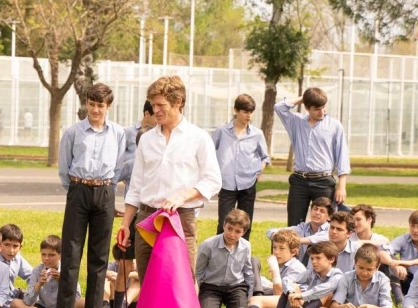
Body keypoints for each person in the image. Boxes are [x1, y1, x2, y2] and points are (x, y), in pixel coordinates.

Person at [118, 75, 221, 285]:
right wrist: (125, 224)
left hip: (180, 219)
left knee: (179, 286)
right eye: (153, 105)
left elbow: (213, 180)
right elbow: (136, 187)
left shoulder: (199, 138)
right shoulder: (146, 140)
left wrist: (183, 195)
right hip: (146, 219)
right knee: (148, 286)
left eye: (161, 105)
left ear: (178, 102)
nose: (155, 110)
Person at [56, 83, 126, 308]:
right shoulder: (74, 132)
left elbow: (118, 166)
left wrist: (108, 189)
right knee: (72, 251)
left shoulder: (117, 133)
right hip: (78, 189)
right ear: (87, 103)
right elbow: (64, 167)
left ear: (108, 107)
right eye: (92, 104)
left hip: (104, 191)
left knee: (99, 254)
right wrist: (76, 189)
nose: (96, 110)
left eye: (101, 105)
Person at [274, 87, 350, 226]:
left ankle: (319, 249)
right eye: (317, 109)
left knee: (324, 225)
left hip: (323, 182)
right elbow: (279, 107)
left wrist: (341, 186)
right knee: (294, 224)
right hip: (299, 182)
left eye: (323, 107)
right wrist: (305, 97)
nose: (322, 112)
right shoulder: (296, 122)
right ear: (307, 108)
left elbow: (342, 156)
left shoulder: (334, 126)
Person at [213, 94, 270, 239]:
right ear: (236, 111)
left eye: (251, 112)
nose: (248, 116)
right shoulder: (222, 131)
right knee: (224, 223)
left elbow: (265, 157)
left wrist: (259, 172)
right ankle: (220, 257)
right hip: (226, 184)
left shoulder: (257, 134)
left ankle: (242, 257)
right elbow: (209, 152)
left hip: (248, 184)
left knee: (245, 224)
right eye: (245, 112)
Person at [229, 230, 306, 308]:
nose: (276, 252)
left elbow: (280, 295)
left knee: (256, 300)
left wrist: (275, 272)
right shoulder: (283, 264)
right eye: (274, 247)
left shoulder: (296, 267)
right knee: (251, 306)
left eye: (282, 248)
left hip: (294, 304)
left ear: (294, 252)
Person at [266, 241, 343, 308]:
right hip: (309, 307)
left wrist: (302, 295)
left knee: (326, 294)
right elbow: (288, 279)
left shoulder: (337, 276)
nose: (314, 262)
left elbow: (323, 289)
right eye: (312, 258)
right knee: (288, 289)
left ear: (331, 259)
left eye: (318, 258)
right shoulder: (311, 272)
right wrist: (291, 293)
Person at [318, 243, 393, 308]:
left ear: (377, 267)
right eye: (361, 268)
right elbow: (334, 306)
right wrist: (342, 307)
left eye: (369, 269)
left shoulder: (383, 280)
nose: (364, 273)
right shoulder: (346, 277)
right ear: (355, 263)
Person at [196, 209, 254, 308]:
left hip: (235, 287)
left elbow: (248, 273)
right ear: (224, 225)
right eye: (229, 228)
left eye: (237, 231)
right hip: (211, 287)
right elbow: (197, 274)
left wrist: (249, 297)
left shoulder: (246, 246)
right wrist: (193, 297)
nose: (232, 234)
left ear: (244, 232)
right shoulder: (208, 245)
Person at [13, 235, 84, 308]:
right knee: (14, 303)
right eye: (43, 254)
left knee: (83, 302)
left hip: (63, 306)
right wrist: (39, 284)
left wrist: (62, 281)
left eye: (51, 255)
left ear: (60, 255)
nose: (46, 258)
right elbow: (28, 301)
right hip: (42, 307)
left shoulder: (67, 270)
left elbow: (76, 297)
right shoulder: (37, 270)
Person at [265, 196, 333, 262]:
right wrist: (277, 235)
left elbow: (316, 239)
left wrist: (293, 240)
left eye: (322, 211)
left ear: (329, 217)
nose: (317, 213)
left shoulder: (332, 230)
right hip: (301, 270)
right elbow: (270, 231)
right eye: (315, 209)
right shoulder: (302, 227)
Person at [379, 210, 418, 305]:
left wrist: (404, 263)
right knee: (387, 262)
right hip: (408, 279)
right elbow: (381, 252)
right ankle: (399, 298)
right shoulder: (405, 238)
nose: (415, 230)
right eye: (412, 226)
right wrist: (394, 264)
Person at [0, 224, 33, 297]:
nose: (11, 251)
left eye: (15, 246)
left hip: (12, 294)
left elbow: (32, 275)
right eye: (7, 245)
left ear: (20, 247)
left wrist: (32, 291)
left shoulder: (17, 258)